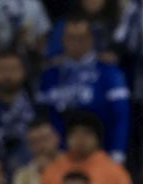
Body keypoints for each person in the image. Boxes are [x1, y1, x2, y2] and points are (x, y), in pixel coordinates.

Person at [38, 16, 131, 162]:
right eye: (71, 37)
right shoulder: (50, 75)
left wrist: (117, 152)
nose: (76, 42)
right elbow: (43, 117)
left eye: (81, 37)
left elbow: (120, 116)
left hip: (101, 155)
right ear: (63, 39)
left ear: (90, 39)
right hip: (60, 157)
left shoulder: (109, 72)